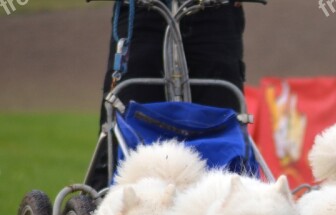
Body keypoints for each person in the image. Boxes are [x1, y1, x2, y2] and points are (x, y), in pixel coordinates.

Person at [88, 0, 247, 190]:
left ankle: (232, 202)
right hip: (140, 12)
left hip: (216, 12)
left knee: (224, 119)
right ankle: (100, 202)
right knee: (122, 111)